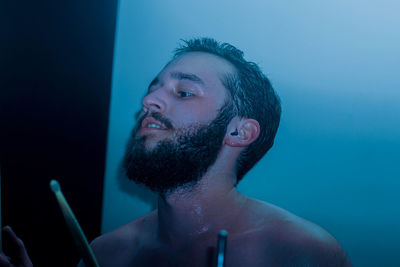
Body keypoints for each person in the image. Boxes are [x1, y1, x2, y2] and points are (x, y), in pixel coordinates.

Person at [1, 38, 352, 267]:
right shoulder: (106, 254)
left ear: (239, 131)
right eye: (154, 88)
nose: (148, 101)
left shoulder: (300, 253)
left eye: (184, 92)